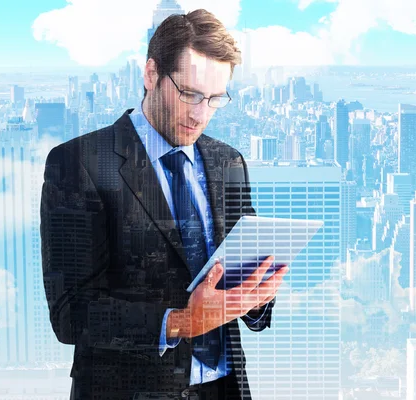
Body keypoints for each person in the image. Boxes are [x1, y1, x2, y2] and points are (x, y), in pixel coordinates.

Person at [40, 9, 288, 400]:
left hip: (223, 390)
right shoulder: (81, 163)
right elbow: (72, 314)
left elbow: (238, 279)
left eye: (214, 99)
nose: (200, 113)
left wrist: (256, 295)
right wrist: (181, 322)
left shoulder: (228, 163)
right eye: (188, 93)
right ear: (151, 74)